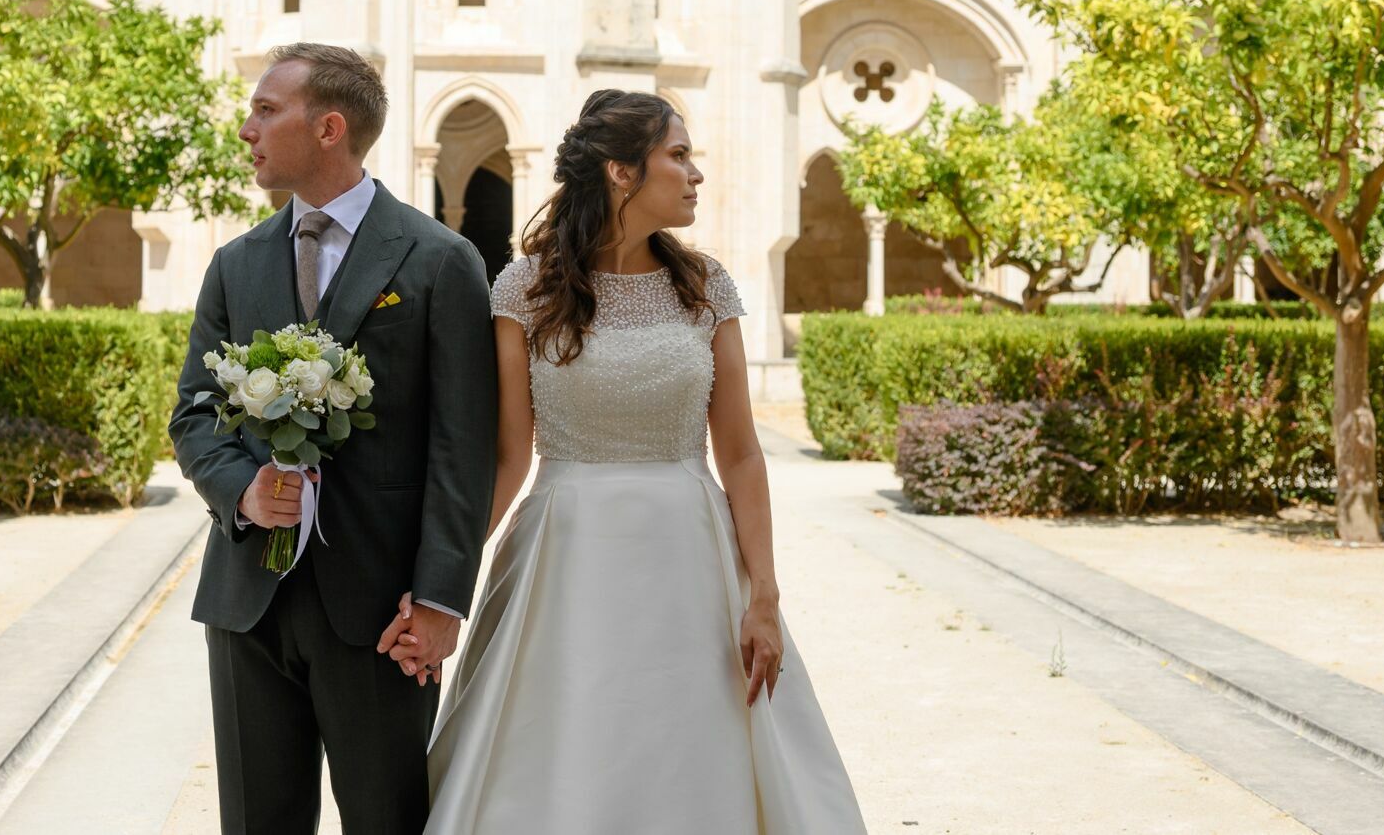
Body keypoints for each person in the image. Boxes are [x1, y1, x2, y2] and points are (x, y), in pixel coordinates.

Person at [420, 89, 867, 834]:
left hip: (692, 560)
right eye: (679, 155)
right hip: (564, 560)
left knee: (695, 751)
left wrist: (764, 597)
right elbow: (509, 455)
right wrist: (440, 582)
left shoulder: (705, 287)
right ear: (623, 173)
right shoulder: (523, 291)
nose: (695, 174)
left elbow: (744, 455)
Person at [168, 42, 499, 835]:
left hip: (383, 614)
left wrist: (443, 598)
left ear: (329, 128)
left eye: (264, 109)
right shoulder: (235, 263)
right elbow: (194, 415)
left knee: (387, 821)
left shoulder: (440, 260)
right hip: (247, 601)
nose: (247, 127)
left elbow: (464, 445)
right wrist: (242, 488)